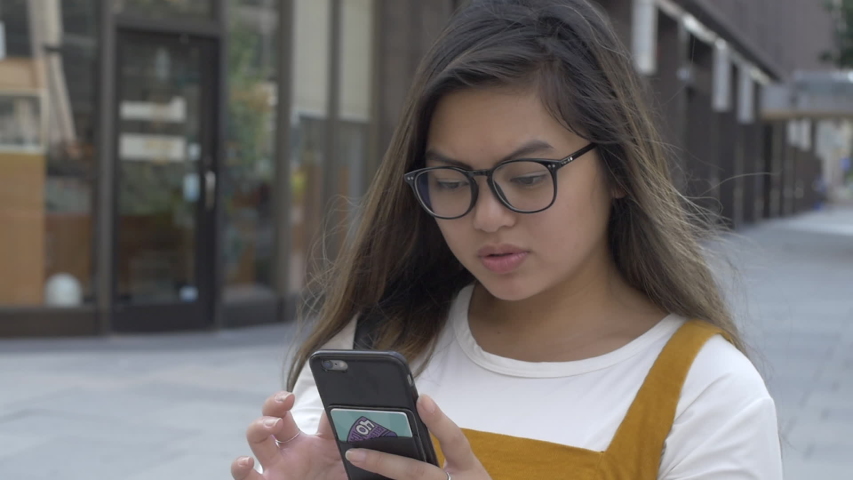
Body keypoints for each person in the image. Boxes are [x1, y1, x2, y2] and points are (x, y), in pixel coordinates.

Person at [230, 0, 783, 478]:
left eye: (527, 177)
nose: (489, 216)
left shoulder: (707, 394)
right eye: (450, 182)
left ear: (618, 169)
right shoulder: (375, 346)